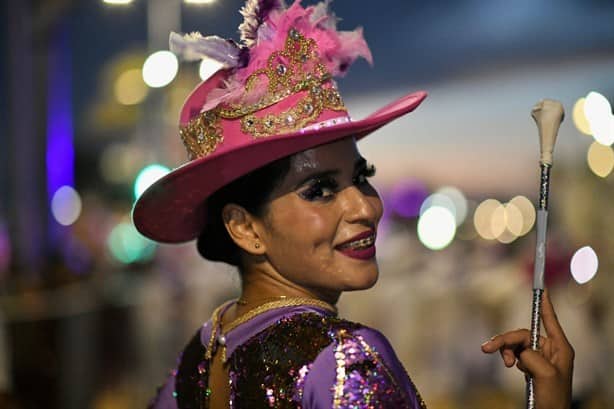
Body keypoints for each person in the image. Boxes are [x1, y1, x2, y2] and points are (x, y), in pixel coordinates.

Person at [133, 1, 574, 408]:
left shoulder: (204, 350)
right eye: (319, 190)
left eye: (362, 178)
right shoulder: (344, 359)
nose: (366, 208)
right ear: (245, 227)